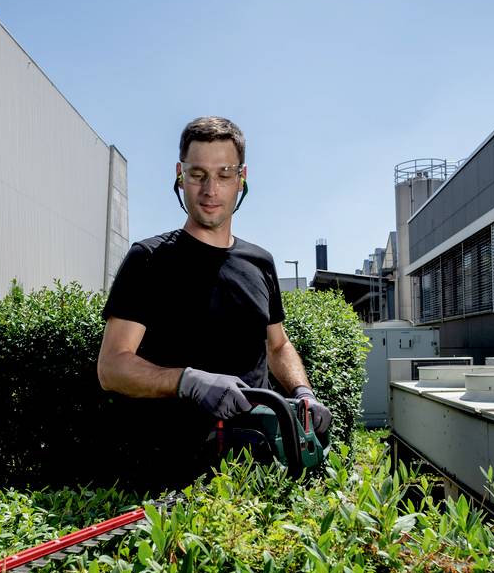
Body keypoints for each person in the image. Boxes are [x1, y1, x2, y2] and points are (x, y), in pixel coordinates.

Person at [96, 116, 331, 486]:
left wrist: (303, 391)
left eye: (224, 174)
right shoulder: (149, 260)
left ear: (242, 178)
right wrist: (188, 381)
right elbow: (111, 368)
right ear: (180, 174)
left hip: (258, 471)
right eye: (198, 174)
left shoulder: (260, 262)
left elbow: (278, 345)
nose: (211, 190)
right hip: (169, 478)